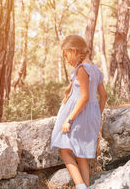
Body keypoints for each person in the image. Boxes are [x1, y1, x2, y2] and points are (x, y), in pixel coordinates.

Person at [50, 34, 107, 189]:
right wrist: (97, 114)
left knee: (64, 150)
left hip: (78, 115)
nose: (66, 59)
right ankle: (86, 186)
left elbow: (84, 97)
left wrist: (69, 119)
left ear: (73, 51)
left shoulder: (82, 69)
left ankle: (80, 186)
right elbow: (103, 96)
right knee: (81, 155)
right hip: (90, 116)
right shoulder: (95, 69)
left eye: (66, 55)